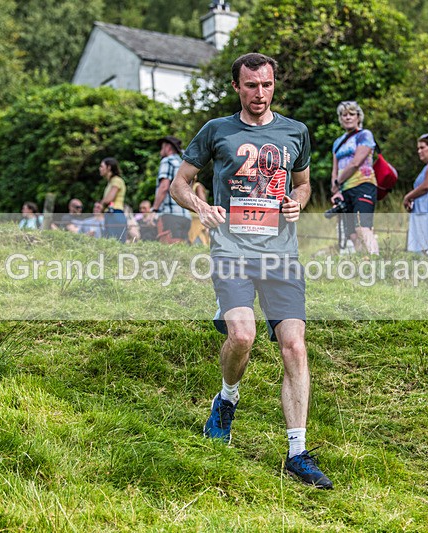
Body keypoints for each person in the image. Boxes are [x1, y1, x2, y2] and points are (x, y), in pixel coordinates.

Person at [169, 53, 333, 490]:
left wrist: (299, 199)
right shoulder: (216, 131)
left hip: (281, 254)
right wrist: (201, 207)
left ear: (274, 84)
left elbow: (303, 183)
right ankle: (226, 400)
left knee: (294, 346)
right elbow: (179, 182)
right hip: (232, 250)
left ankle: (297, 452)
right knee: (242, 336)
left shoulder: (295, 131)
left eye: (266, 85)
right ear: (237, 87)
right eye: (250, 86)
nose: (259, 94)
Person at [329, 100, 379, 254]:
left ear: (358, 117)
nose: (348, 117)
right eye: (344, 115)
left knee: (362, 226)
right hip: (345, 190)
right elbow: (335, 169)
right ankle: (362, 264)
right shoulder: (338, 142)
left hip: (363, 184)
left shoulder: (365, 135)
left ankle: (375, 259)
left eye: (351, 114)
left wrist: (338, 182)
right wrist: (335, 191)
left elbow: (356, 162)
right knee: (352, 233)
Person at [152, 136, 191, 244]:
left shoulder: (167, 161)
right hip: (186, 216)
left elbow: (164, 187)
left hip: (170, 214)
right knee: (182, 251)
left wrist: (154, 209)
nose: (160, 150)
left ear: (168, 147)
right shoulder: (183, 164)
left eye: (162, 147)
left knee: (169, 252)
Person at [100, 157, 128, 242]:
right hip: (111, 214)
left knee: (115, 242)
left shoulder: (116, 180)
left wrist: (101, 204)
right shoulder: (111, 182)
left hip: (115, 214)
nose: (100, 169)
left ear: (109, 167)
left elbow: (109, 199)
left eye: (102, 166)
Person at [188, 177, 211, 245]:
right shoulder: (187, 188)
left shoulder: (197, 186)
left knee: (200, 240)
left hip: (198, 219)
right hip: (191, 219)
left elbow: (203, 203)